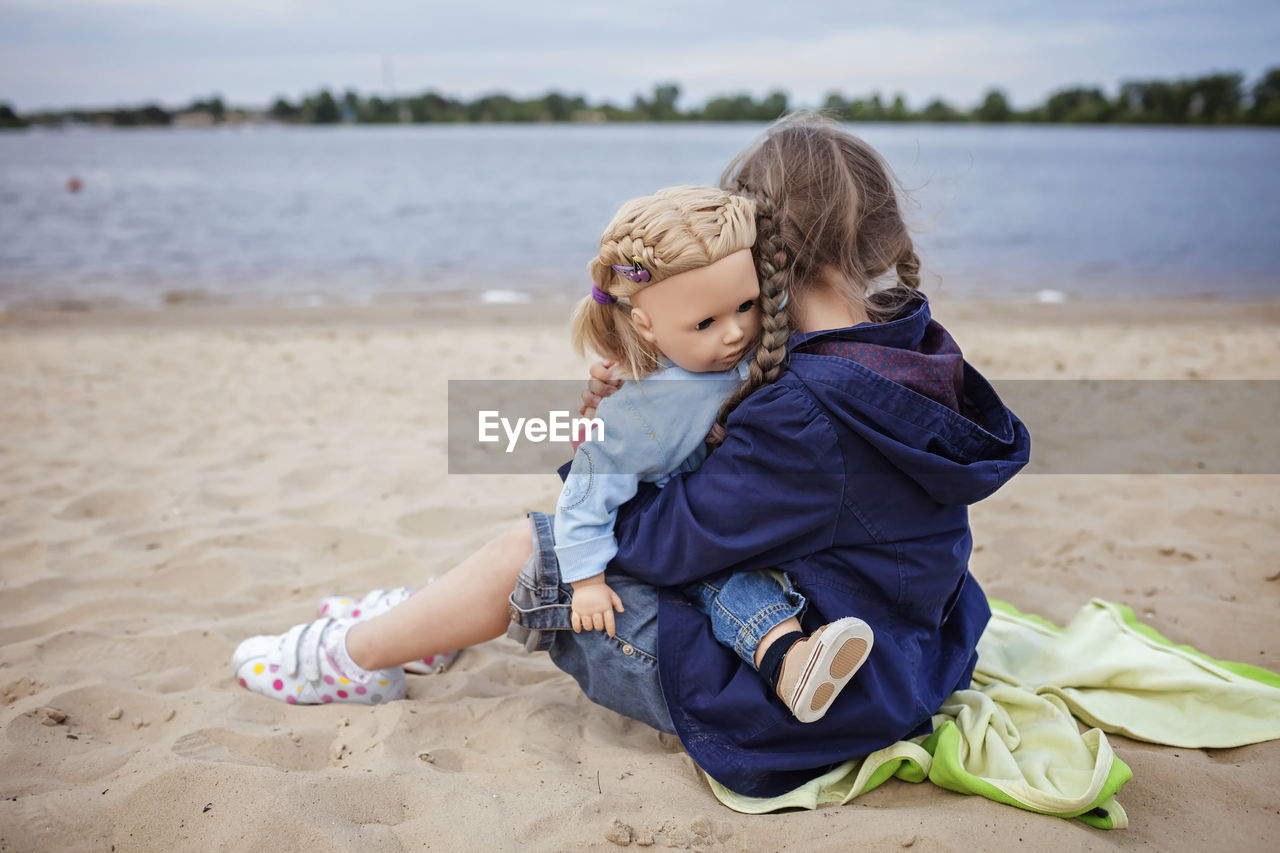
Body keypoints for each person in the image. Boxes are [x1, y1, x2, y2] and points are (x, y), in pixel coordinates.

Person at [231, 112, 1030, 799]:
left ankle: (350, 658)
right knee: (557, 547)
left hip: (813, 697)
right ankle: (426, 618)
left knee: (536, 553)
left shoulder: (806, 412)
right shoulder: (907, 342)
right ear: (881, 235)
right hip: (915, 652)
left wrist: (611, 447)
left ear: (752, 248)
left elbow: (664, 543)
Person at [558, 185, 873, 723]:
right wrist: (586, 581)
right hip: (686, 536)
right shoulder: (642, 414)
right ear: (645, 325)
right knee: (733, 589)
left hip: (740, 519)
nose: (735, 333)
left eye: (746, 306)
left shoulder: (753, 349)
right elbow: (586, 494)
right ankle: (790, 665)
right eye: (705, 323)